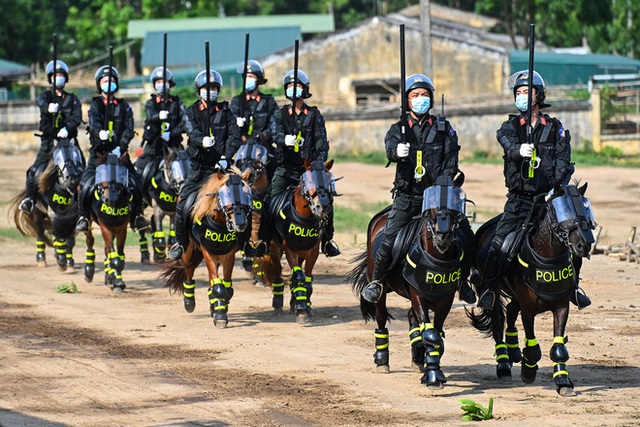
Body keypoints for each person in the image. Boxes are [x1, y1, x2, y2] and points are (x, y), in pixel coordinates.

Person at [475, 70, 591, 310]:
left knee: (576, 233)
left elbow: (563, 160)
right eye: (518, 92)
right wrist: (519, 151)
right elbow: (507, 145)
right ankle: (489, 288)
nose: (522, 96)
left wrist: (556, 187)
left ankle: (574, 287)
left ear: (539, 95)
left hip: (549, 199)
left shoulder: (555, 128)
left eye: (527, 91)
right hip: (519, 199)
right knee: (498, 244)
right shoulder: (509, 127)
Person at [360, 73, 475, 304]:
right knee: (388, 237)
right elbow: (389, 148)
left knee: (465, 234)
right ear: (407, 100)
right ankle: (377, 282)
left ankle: (464, 281)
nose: (420, 98)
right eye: (415, 95)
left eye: (424, 95)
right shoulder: (398, 128)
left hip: (437, 197)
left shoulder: (444, 129)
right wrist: (396, 152)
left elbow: (451, 158)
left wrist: (443, 182)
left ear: (431, 99)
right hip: (408, 195)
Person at [253, 69, 340, 258]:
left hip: (309, 170)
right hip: (286, 168)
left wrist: (319, 164)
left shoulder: (315, 115)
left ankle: (327, 240)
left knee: (327, 199)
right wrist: (285, 140)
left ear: (305, 89)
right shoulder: (280, 114)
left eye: (297, 86)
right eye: (290, 86)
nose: (293, 89)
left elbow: (321, 141)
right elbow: (275, 134)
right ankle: (264, 241)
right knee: (269, 203)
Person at [168, 69, 242, 260]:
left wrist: (226, 157)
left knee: (244, 199)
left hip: (223, 170)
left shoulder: (227, 112)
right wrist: (202, 141)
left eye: (214, 88)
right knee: (182, 203)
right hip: (200, 169)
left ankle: (246, 243)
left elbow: (234, 137)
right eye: (206, 88)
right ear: (199, 90)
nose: (210, 91)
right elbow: (191, 132)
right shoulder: (190, 112)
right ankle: (181, 243)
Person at [75, 65, 150, 233]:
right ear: (99, 84)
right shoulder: (95, 106)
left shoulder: (124, 106)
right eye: (105, 80)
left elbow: (129, 128)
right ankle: (83, 217)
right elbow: (93, 124)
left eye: (111, 80)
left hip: (120, 155)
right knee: (85, 185)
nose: (109, 83)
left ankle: (138, 216)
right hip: (99, 154)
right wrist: (98, 133)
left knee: (136, 183)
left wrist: (120, 147)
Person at [19, 60, 83, 213]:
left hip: (69, 142)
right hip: (49, 142)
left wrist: (68, 128)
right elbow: (39, 101)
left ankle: (82, 204)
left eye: (61, 75)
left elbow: (77, 116)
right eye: (55, 75)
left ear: (66, 78)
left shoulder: (72, 99)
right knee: (34, 171)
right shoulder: (45, 97)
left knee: (83, 168)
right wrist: (48, 108)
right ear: (50, 78)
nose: (58, 78)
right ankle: (30, 199)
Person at [230, 59, 279, 257]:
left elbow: (275, 124)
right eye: (246, 77)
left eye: (251, 77)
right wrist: (238, 125)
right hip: (242, 151)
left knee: (280, 176)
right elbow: (231, 124)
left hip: (264, 150)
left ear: (258, 80)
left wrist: (263, 135)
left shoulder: (268, 101)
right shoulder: (237, 101)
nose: (248, 80)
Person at [134, 66, 185, 178]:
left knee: (186, 168)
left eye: (164, 81)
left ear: (169, 83)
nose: (161, 84)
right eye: (158, 82)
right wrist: (158, 116)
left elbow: (184, 122)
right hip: (154, 147)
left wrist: (172, 134)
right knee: (138, 171)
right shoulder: (150, 103)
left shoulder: (177, 103)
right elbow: (150, 116)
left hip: (173, 147)